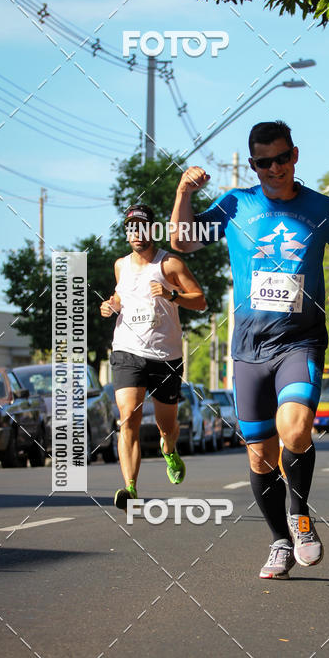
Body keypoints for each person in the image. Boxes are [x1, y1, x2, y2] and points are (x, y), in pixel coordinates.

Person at [169, 120, 329, 579]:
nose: (273, 169)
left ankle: (301, 520)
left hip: (300, 340)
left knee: (295, 429)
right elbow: (182, 241)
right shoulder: (236, 204)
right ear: (254, 164)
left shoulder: (322, 208)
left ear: (295, 155)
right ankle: (279, 539)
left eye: (281, 158)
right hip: (247, 348)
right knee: (260, 454)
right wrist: (184, 192)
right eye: (263, 162)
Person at [100, 204, 207, 509]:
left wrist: (172, 295)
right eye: (130, 228)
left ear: (152, 230)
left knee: (166, 425)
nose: (136, 233)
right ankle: (130, 488)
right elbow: (122, 296)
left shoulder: (170, 264)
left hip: (166, 357)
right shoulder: (120, 265)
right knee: (128, 417)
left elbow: (200, 301)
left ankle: (169, 449)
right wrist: (111, 305)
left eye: (142, 227)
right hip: (127, 351)